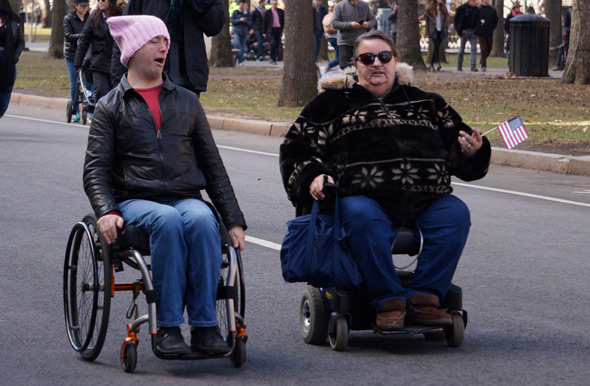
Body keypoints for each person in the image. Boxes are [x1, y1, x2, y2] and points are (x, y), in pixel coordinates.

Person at [279, 30, 490, 331]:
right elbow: (295, 148)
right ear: (355, 65)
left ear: (395, 61)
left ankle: (424, 298)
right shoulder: (329, 105)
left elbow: (462, 143)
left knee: (456, 214)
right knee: (362, 215)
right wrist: (314, 175)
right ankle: (388, 300)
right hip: (363, 197)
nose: (376, 64)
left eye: (384, 57)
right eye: (367, 58)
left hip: (426, 198)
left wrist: (472, 152)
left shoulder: (427, 102)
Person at [84, 15, 247, 355]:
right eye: (154, 41)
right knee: (167, 220)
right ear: (133, 50)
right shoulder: (109, 107)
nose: (163, 47)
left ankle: (205, 327)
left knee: (203, 219)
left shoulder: (187, 102)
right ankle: (168, 327)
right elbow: (95, 170)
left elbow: (213, 167)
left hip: (185, 196)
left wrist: (233, 219)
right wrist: (106, 211)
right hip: (134, 200)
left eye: (165, 41)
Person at [111, 0, 226, 97]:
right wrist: (117, 79)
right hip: (149, 76)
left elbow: (214, 27)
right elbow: (125, 33)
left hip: (188, 79)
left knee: (183, 123)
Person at [74, 0, 122, 108]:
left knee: (114, 93)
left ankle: (111, 120)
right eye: (99, 0)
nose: (100, 1)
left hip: (115, 61)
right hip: (98, 61)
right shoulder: (94, 16)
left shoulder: (120, 15)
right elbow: (84, 40)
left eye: (103, 0)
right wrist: (78, 62)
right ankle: (99, 119)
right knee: (99, 91)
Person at [63, 1, 91, 122]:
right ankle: (76, 111)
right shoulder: (68, 18)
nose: (85, 9)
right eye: (82, 6)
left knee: (89, 83)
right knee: (75, 83)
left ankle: (90, 110)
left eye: (86, 6)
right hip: (72, 55)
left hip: (88, 55)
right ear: (76, 6)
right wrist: (84, 36)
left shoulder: (91, 18)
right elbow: (68, 35)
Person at [332, 0, 375, 69]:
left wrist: (368, 24)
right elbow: (334, 23)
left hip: (361, 42)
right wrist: (349, 25)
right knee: (346, 68)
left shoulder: (364, 5)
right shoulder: (340, 6)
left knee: (361, 67)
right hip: (345, 42)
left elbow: (372, 20)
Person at [0, 0, 24, 119]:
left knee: (4, 97)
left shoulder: (14, 21)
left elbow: (20, 41)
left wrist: (15, 56)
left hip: (7, 60)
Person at [454, 0, 480, 72]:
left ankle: (473, 66)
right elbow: (456, 21)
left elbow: (478, 22)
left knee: (474, 48)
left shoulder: (476, 10)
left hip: (472, 31)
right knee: (462, 49)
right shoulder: (461, 9)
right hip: (464, 31)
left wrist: (476, 30)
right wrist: (460, 30)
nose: (475, 2)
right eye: (473, 1)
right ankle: (459, 65)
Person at [424, 0, 449, 72]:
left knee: (437, 46)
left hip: (441, 29)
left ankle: (432, 62)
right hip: (433, 30)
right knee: (436, 45)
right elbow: (427, 21)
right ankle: (438, 62)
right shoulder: (430, 8)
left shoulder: (443, 7)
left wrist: (447, 27)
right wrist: (427, 32)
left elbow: (446, 18)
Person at [476, 0, 498, 72]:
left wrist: (492, 27)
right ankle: (483, 64)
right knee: (483, 49)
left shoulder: (492, 9)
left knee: (489, 48)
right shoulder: (478, 9)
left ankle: (482, 59)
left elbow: (495, 20)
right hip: (481, 33)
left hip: (489, 32)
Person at [319, 0, 340, 76]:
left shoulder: (328, 15)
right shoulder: (337, 14)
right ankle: (325, 67)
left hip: (330, 37)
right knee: (340, 58)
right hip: (337, 37)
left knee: (338, 56)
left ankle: (339, 69)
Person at [231, 0, 252, 66]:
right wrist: (240, 20)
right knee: (237, 45)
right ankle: (235, 58)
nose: (243, 5)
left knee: (242, 47)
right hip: (236, 31)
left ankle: (240, 60)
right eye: (241, 3)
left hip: (244, 32)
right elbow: (232, 21)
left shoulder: (247, 13)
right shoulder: (235, 12)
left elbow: (250, 23)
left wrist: (245, 21)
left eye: (244, 3)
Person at [263, 0, 284, 65]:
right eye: (274, 3)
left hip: (278, 29)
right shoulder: (267, 12)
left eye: (276, 4)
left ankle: (276, 57)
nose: (275, 5)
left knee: (277, 44)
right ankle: (272, 58)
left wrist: (282, 28)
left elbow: (283, 20)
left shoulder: (281, 12)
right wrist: (264, 32)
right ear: (271, 4)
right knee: (273, 43)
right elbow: (264, 22)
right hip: (271, 30)